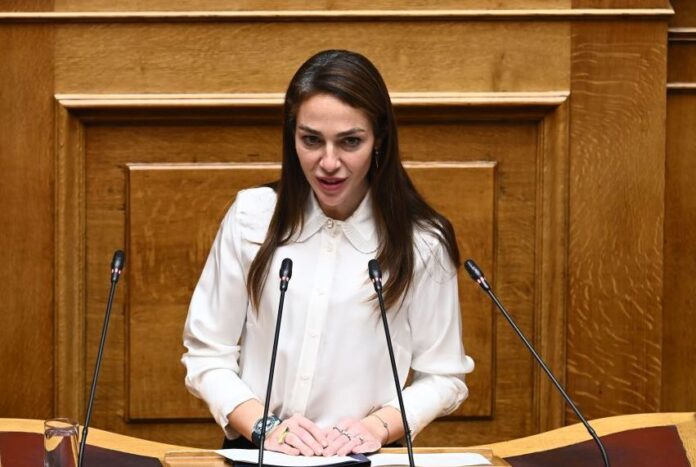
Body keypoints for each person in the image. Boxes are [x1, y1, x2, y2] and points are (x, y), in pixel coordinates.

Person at [181, 49, 475, 457]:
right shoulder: (252, 217)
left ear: (379, 139)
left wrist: (375, 428)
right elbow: (207, 353)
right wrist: (266, 428)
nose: (329, 163)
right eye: (311, 140)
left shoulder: (422, 241)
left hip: (362, 457)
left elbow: (443, 376)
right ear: (293, 137)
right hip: (260, 453)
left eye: (350, 141)